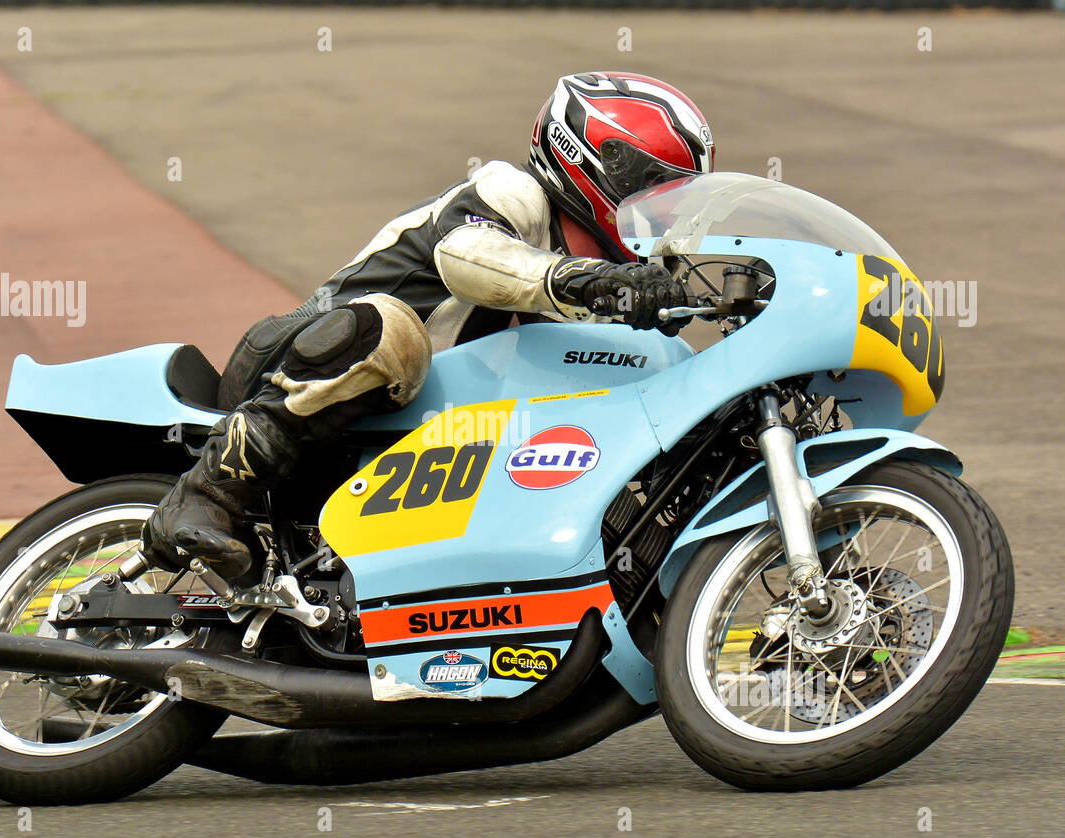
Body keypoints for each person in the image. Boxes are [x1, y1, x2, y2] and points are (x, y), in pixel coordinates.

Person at [142, 71, 715, 578]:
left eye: (677, 195)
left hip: (405, 433)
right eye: (655, 186)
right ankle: (205, 495)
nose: (664, 209)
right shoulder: (511, 194)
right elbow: (467, 255)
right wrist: (586, 282)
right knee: (392, 331)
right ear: (597, 160)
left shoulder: (618, 279)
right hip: (299, 368)